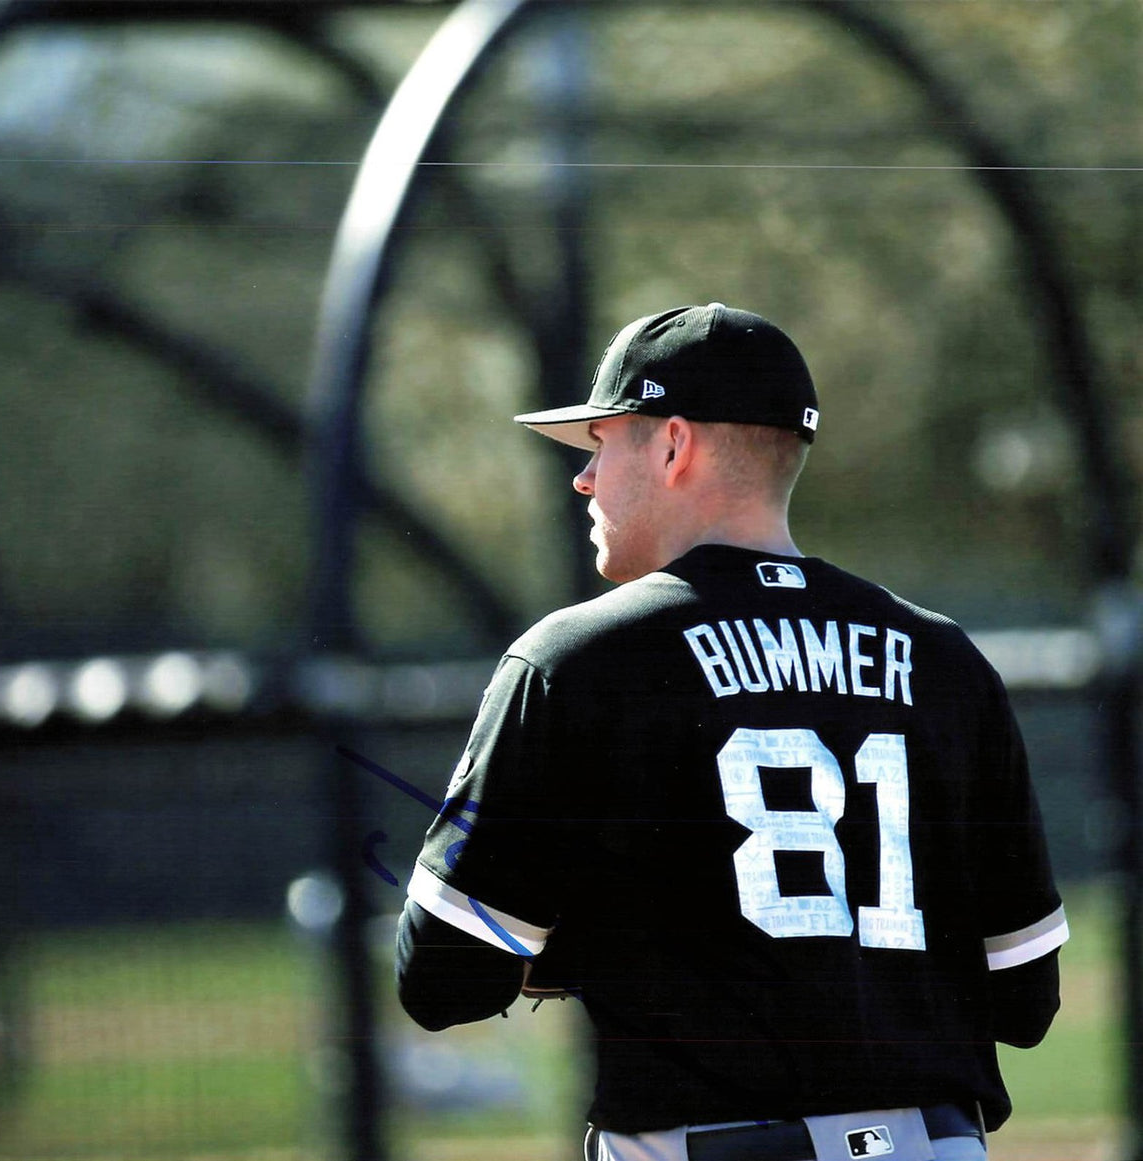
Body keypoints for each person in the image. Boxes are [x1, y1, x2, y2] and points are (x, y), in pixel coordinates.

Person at [394, 303, 1067, 1161]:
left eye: (601, 442)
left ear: (672, 445)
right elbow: (1025, 998)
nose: (584, 479)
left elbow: (441, 977)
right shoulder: (945, 661)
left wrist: (602, 942)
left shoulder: (575, 659)